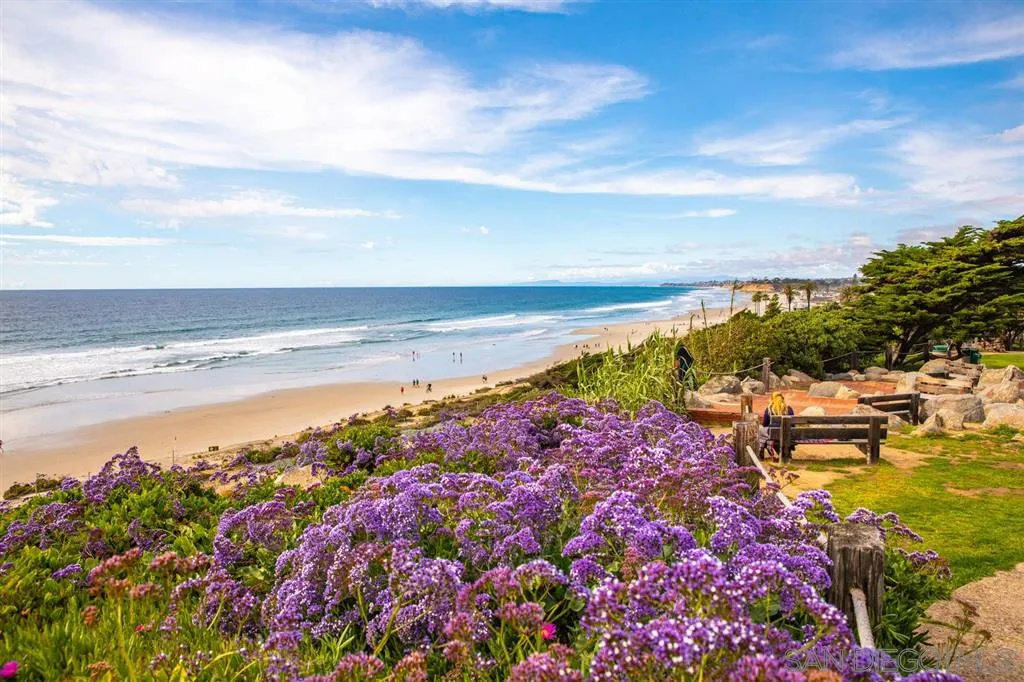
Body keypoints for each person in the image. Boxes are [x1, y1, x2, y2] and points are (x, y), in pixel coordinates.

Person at [759, 392, 794, 460]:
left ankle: (761, 449)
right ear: (783, 399)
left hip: (773, 435)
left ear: (772, 399)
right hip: (788, 435)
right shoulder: (789, 409)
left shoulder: (769, 409)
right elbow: (793, 425)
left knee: (761, 430)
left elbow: (764, 424)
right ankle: (786, 454)